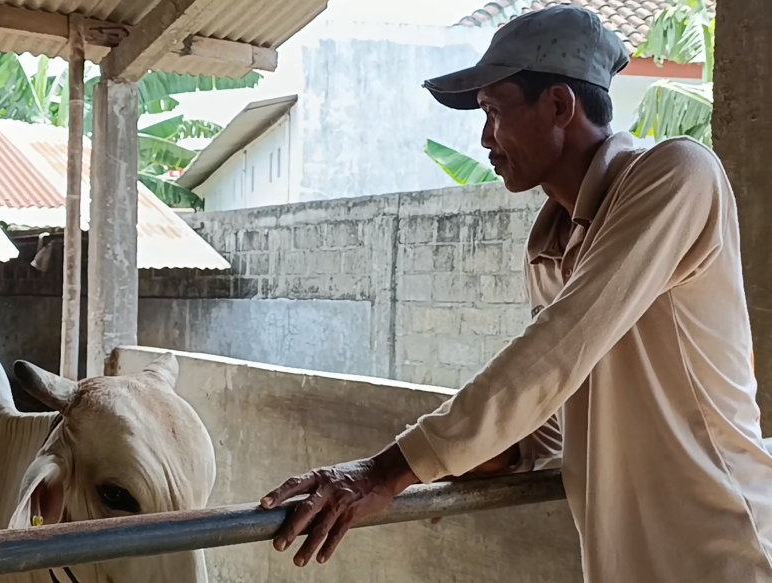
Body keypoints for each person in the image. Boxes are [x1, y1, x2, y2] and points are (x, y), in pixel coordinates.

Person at [259, 6, 772, 582]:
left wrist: (385, 473)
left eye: (494, 111)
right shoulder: (552, 239)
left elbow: (558, 349)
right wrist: (475, 453)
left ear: (558, 106)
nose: (484, 138)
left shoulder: (676, 175)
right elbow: (551, 419)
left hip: (726, 549)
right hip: (625, 561)